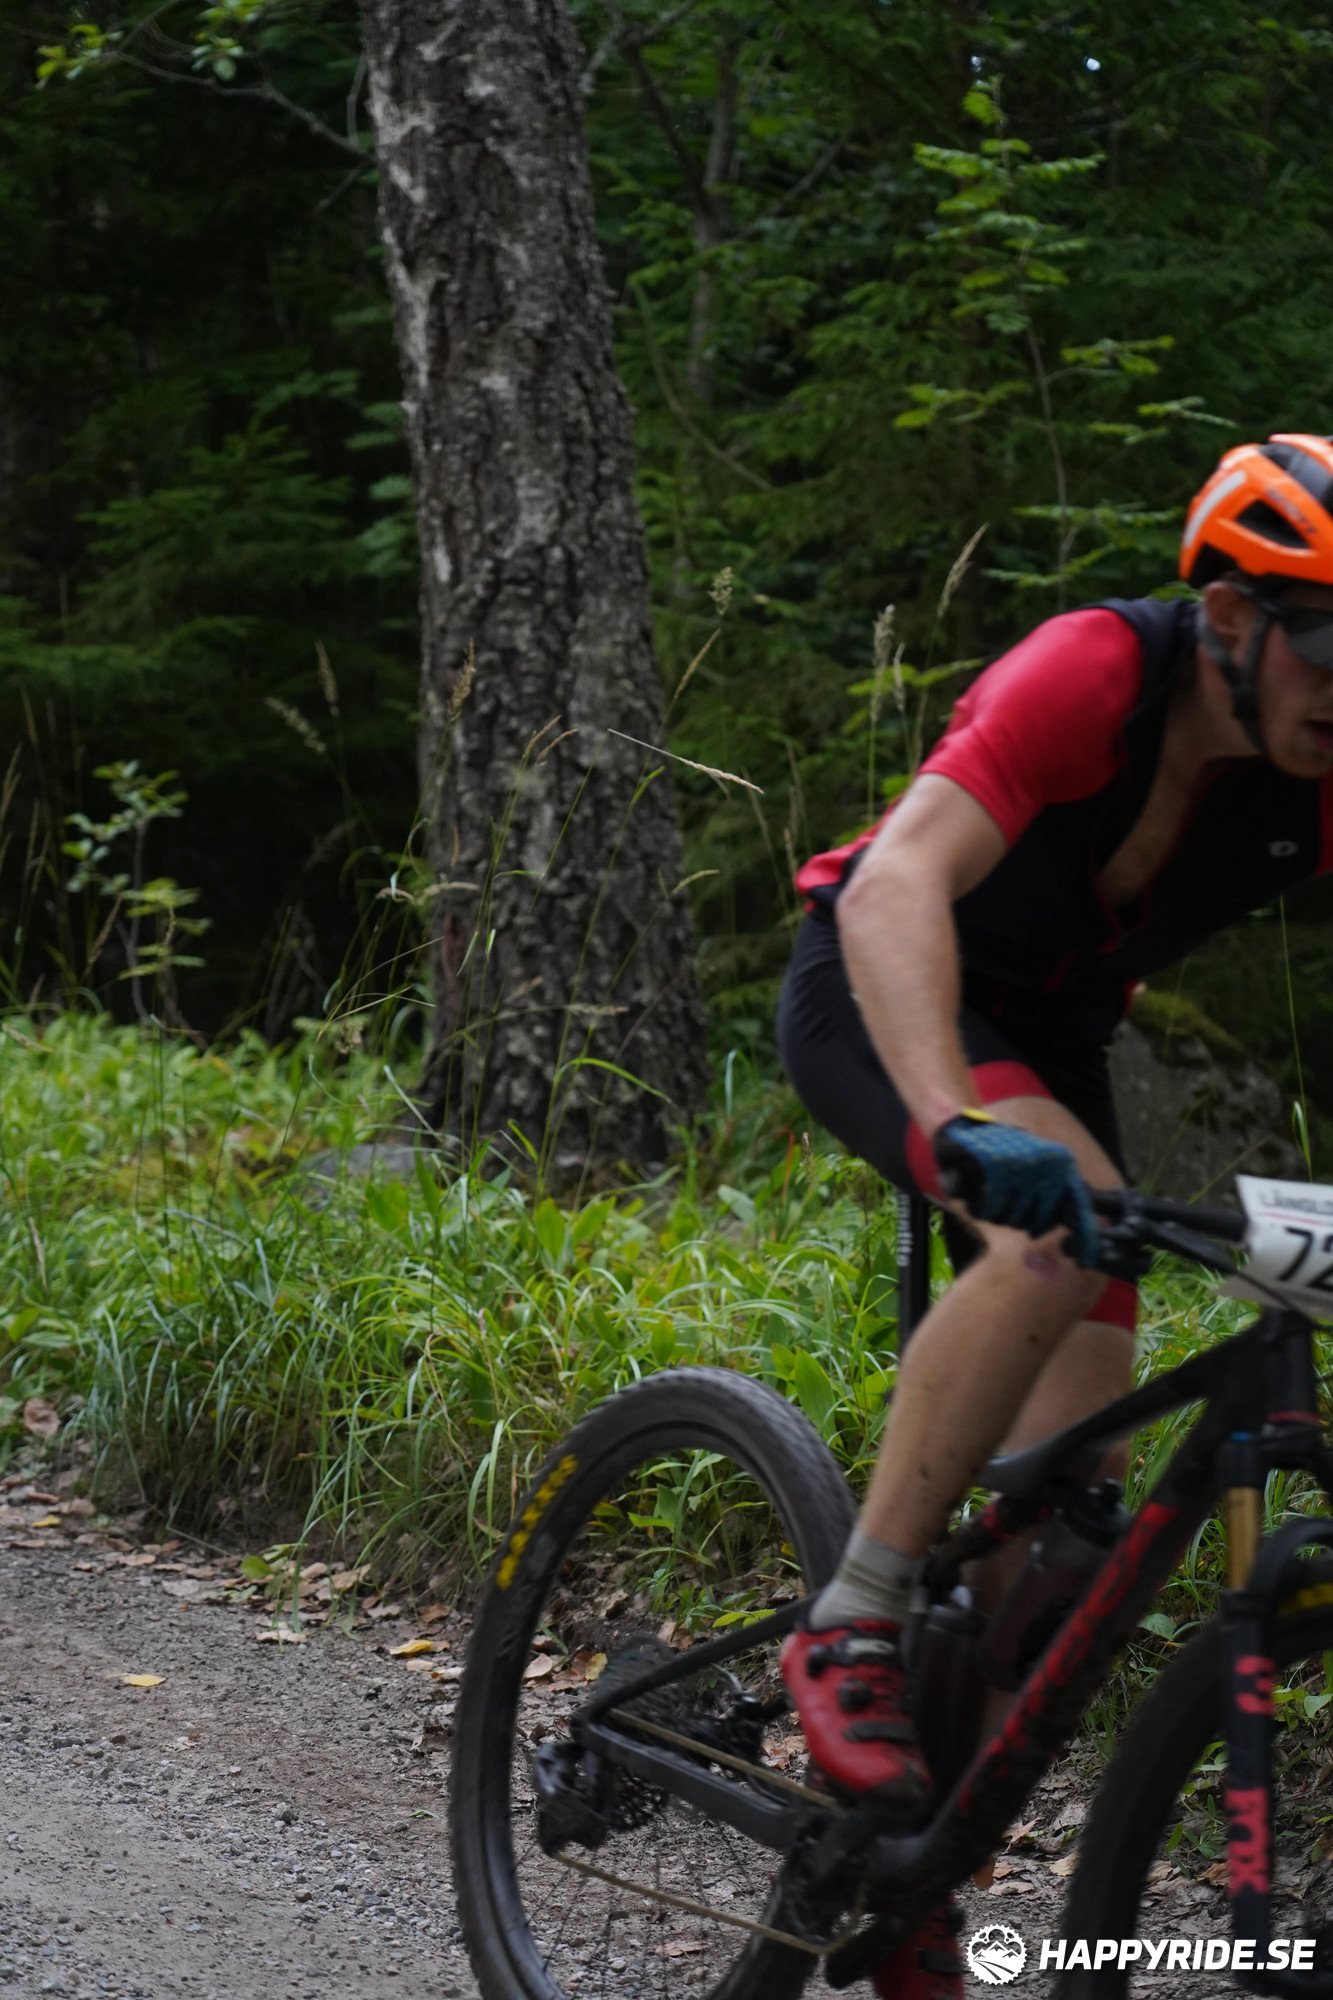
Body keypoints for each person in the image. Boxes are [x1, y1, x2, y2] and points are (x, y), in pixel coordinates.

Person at [775, 433, 1333, 1997]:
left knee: (1068, 1531)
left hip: (1057, 1032)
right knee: (1046, 1232)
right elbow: (896, 884)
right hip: (882, 983)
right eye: (1325, 642)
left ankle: (911, 1870)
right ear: (1228, 617)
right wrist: (952, 1121)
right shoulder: (1092, 670)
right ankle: (852, 1615)